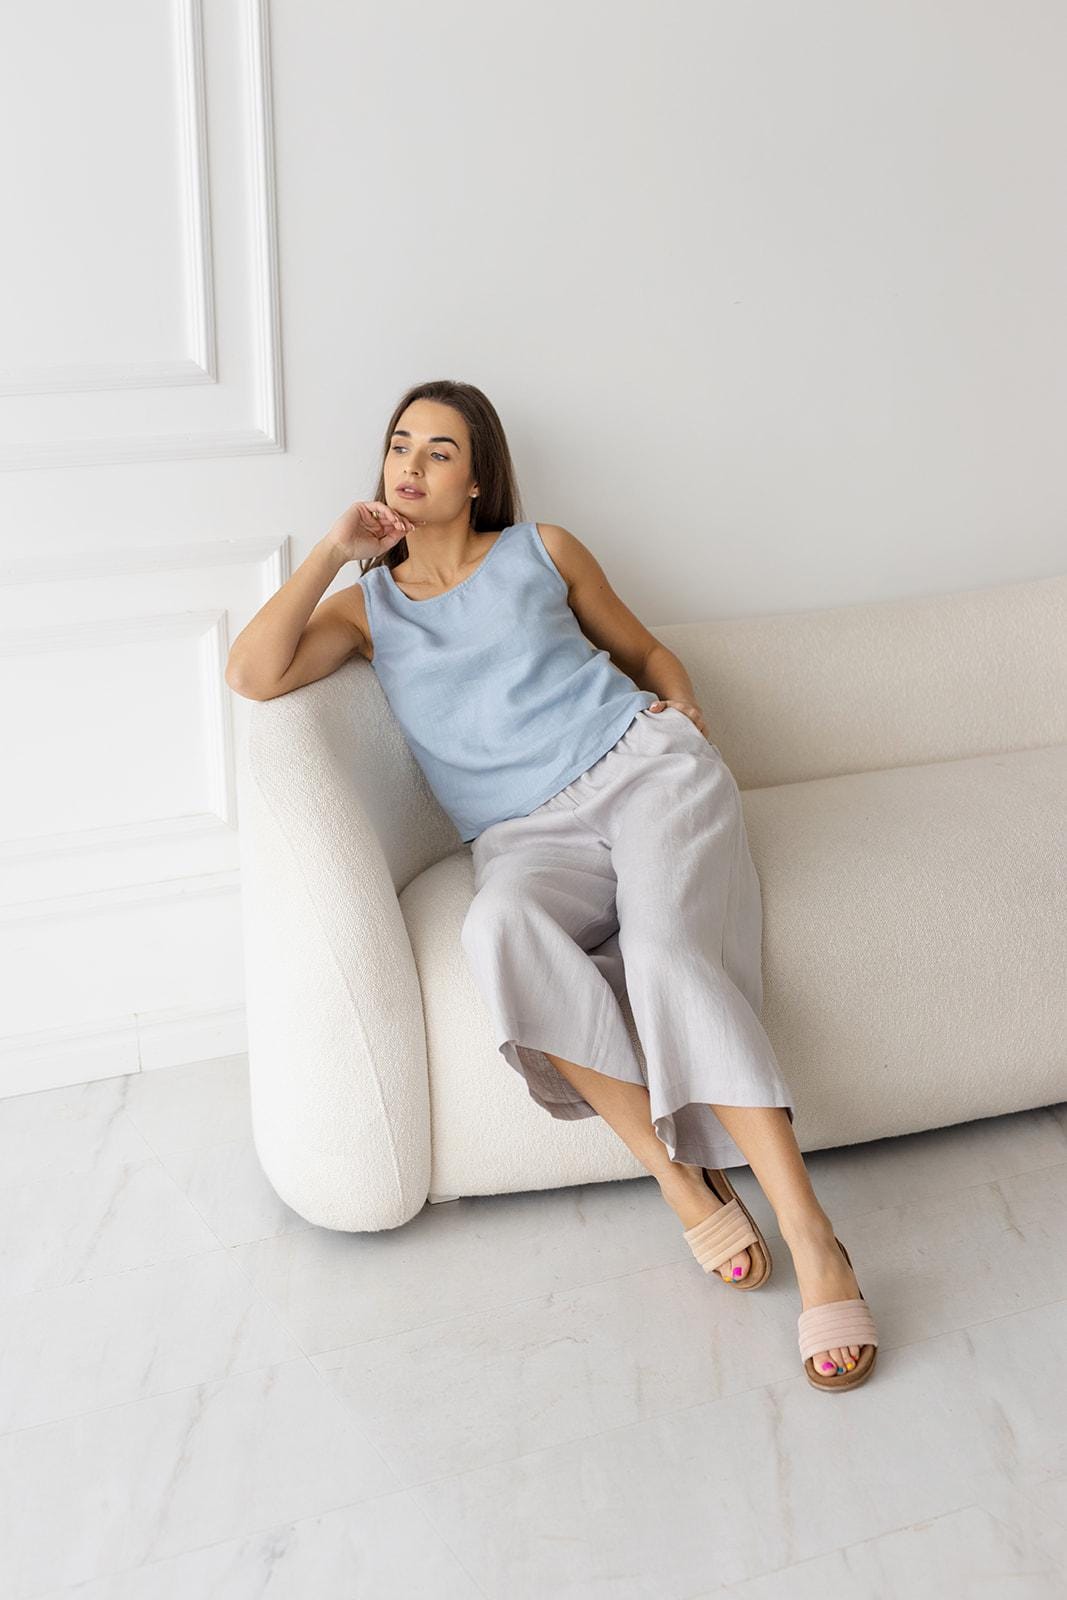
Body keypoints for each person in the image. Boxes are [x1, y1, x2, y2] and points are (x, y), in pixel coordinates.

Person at [225, 378, 879, 1392]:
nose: (411, 462)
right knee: (497, 931)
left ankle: (812, 1232)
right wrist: (329, 551)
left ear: (478, 474)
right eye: (401, 443)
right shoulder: (371, 610)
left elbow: (640, 646)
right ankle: (677, 1178)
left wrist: (681, 704)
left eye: (440, 449)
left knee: (665, 953)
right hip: (521, 837)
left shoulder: (542, 550)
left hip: (640, 769)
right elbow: (253, 674)